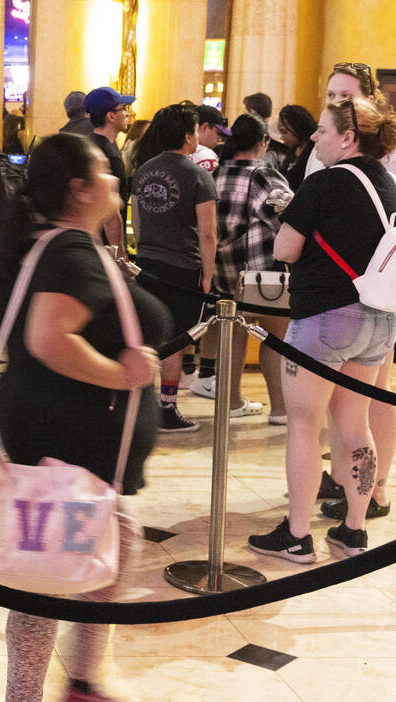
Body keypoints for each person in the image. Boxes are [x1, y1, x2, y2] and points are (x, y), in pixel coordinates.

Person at [0, 133, 163, 702]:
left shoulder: (60, 245)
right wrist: (124, 375)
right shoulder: (69, 252)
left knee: (112, 548)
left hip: (70, 445)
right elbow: (49, 339)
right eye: (107, 173)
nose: (117, 181)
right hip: (65, 445)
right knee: (46, 581)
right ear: (80, 189)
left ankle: (85, 679)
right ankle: (41, 692)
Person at [248, 97, 396, 563]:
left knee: (304, 426)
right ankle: (353, 529)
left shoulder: (324, 183)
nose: (315, 137)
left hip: (324, 318)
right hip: (378, 319)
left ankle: (296, 535)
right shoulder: (389, 184)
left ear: (349, 138)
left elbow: (286, 249)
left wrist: (293, 219)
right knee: (354, 425)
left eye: (325, 130)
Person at [197, 113, 293, 423]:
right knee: (274, 339)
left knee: (234, 335)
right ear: (262, 141)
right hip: (263, 274)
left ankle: (232, 401)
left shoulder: (217, 173)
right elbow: (290, 220)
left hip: (226, 270)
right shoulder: (264, 175)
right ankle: (280, 409)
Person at [130, 103, 217, 432]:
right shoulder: (199, 175)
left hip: (147, 263)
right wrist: (207, 275)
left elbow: (137, 223)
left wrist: (145, 250)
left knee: (148, 335)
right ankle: (166, 408)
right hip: (183, 267)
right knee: (175, 340)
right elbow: (207, 232)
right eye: (195, 130)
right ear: (187, 136)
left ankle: (143, 404)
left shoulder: (143, 170)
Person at [83, 86, 132, 252]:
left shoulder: (87, 144)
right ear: (111, 116)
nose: (128, 113)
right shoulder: (109, 156)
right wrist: (120, 256)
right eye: (124, 108)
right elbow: (111, 215)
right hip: (103, 246)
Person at [272, 104, 317, 191]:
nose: (282, 137)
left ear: (298, 127)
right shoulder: (294, 150)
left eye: (284, 132)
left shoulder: (314, 152)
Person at [192, 104, 229, 172]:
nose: (219, 139)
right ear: (204, 127)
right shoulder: (205, 156)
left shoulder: (178, 150)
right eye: (218, 133)